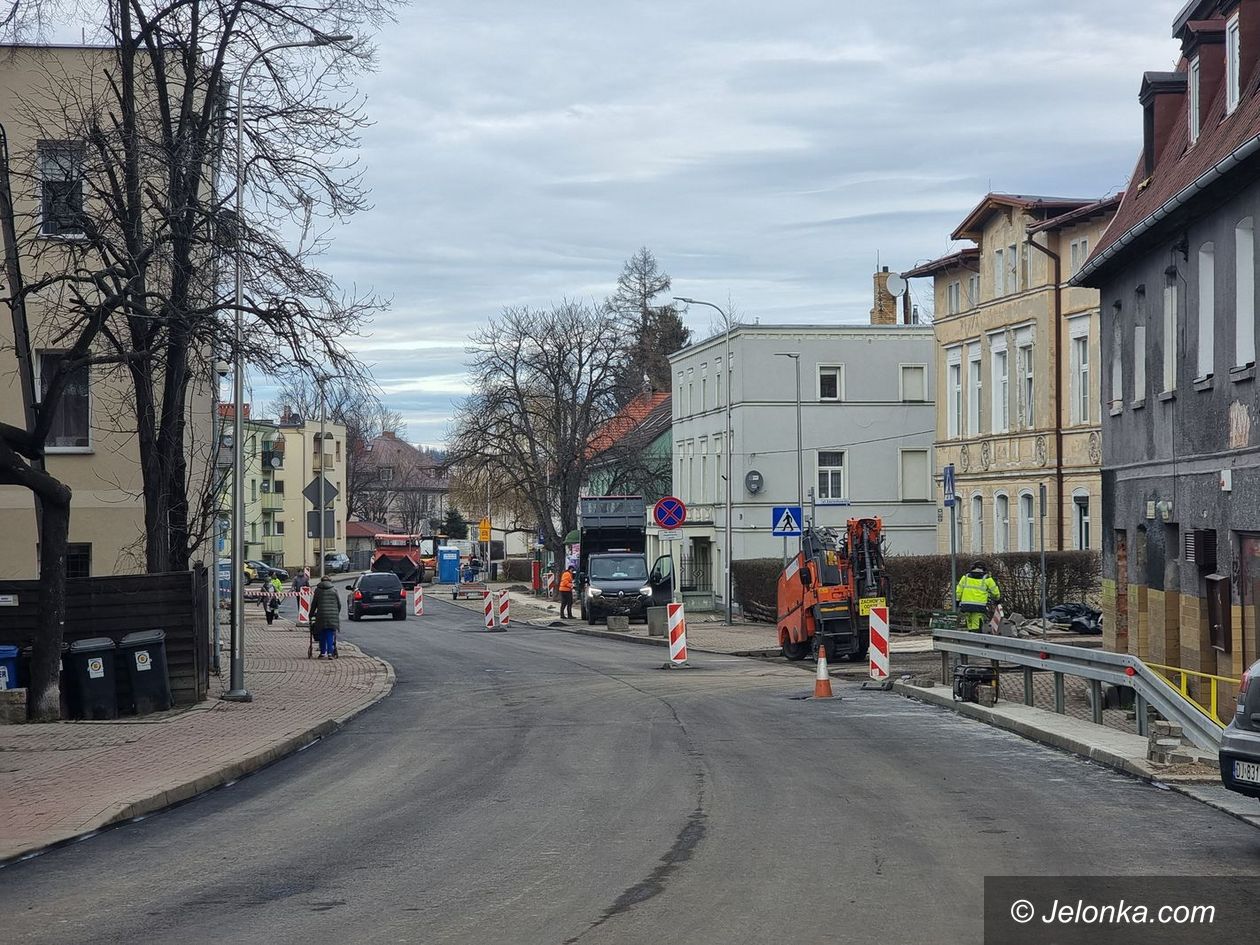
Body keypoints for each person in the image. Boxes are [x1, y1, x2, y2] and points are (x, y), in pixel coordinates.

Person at [955, 561, 1001, 631]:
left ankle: (969, 636)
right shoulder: (987, 578)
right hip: (979, 606)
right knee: (976, 624)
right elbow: (995, 592)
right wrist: (997, 599)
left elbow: (959, 591)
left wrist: (957, 601)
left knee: (969, 621)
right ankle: (975, 637)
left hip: (966, 605)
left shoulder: (965, 577)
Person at [308, 575, 341, 659]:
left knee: (322, 634)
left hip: (321, 616)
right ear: (330, 581)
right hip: (332, 616)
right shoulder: (334, 590)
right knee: (330, 634)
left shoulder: (318, 590)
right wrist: (336, 613)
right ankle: (330, 653)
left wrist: (311, 615)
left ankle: (323, 652)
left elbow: (314, 604)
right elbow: (339, 604)